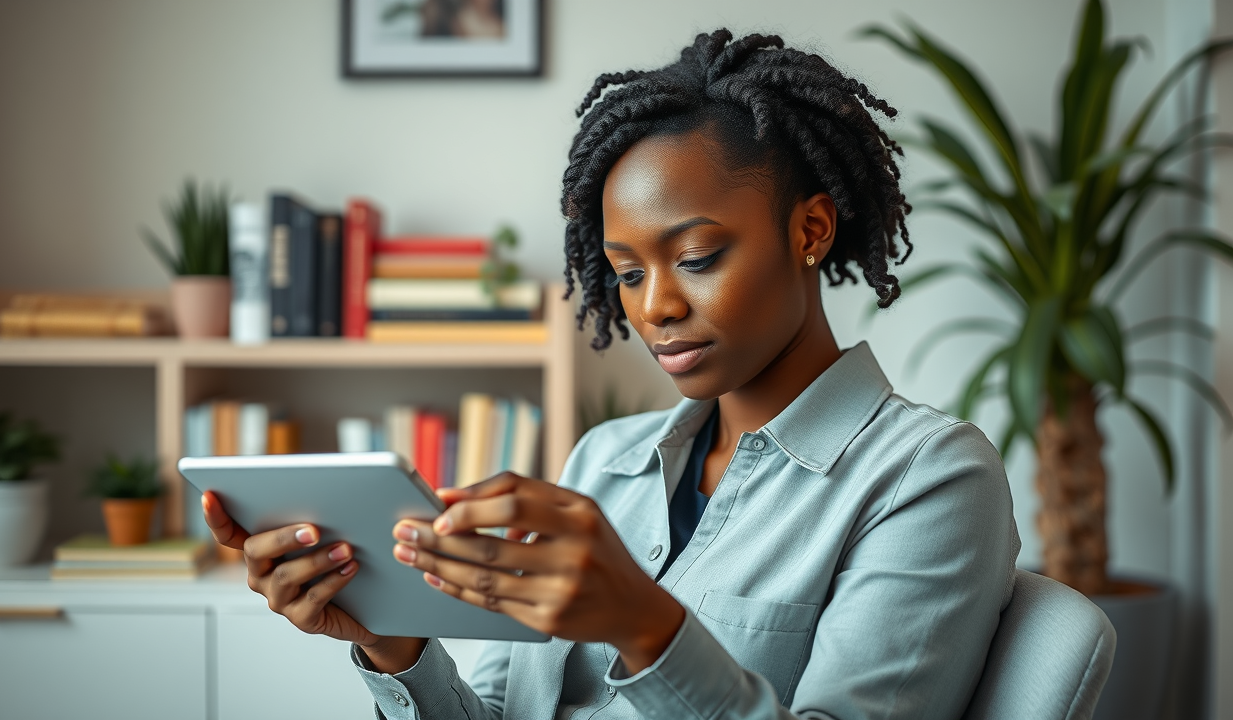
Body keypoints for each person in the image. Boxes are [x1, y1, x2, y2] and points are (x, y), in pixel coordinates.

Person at [203, 29, 1020, 719]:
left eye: (696, 258)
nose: (655, 307)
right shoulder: (603, 463)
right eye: (627, 274)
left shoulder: (930, 479)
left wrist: (647, 627)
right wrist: (393, 644)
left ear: (810, 229)